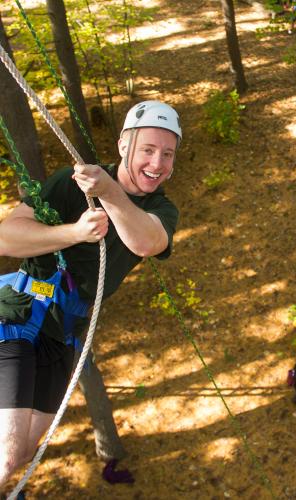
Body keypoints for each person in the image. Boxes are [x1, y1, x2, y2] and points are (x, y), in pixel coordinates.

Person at [0, 101, 182, 491]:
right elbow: (7, 237)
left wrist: (111, 193)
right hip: (20, 316)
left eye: (167, 154)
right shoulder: (71, 183)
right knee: (6, 454)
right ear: (122, 146)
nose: (157, 163)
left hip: (64, 335)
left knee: (26, 450)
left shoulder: (161, 208)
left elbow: (146, 241)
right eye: (148, 150)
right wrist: (74, 233)